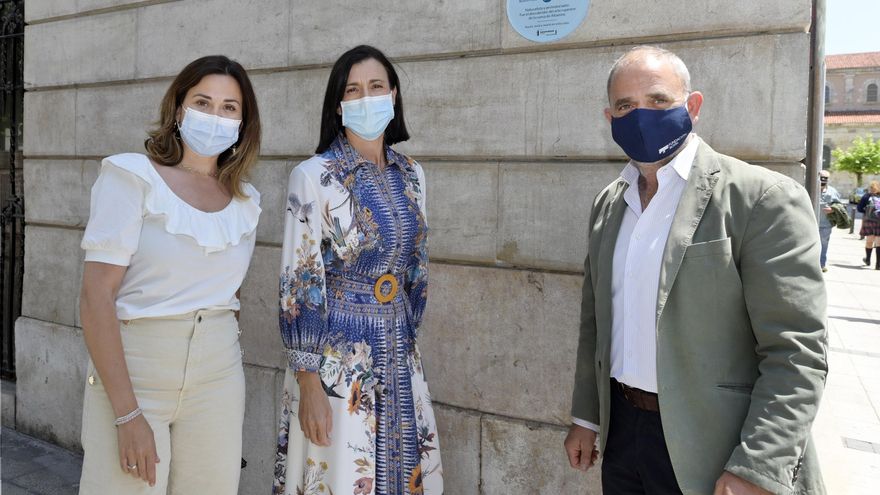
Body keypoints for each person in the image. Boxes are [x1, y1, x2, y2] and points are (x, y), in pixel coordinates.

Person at [563, 46, 827, 495]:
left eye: (658, 100)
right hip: (623, 435)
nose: (640, 115)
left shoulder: (761, 198)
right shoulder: (609, 204)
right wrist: (587, 416)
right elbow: (597, 321)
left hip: (716, 445)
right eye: (626, 106)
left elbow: (796, 351)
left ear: (693, 106)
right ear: (610, 119)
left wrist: (757, 465)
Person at [78, 55, 262, 494]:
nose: (215, 116)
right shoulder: (131, 177)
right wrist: (127, 413)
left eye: (229, 108)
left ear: (242, 123)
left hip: (217, 374)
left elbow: (227, 296)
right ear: (179, 110)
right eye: (203, 102)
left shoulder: (245, 202)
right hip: (138, 367)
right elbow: (95, 297)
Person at [273, 45, 442, 495]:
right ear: (339, 104)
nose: (366, 97)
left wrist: (405, 335)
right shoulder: (313, 176)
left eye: (376, 87)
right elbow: (299, 283)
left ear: (394, 96)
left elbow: (417, 271)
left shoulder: (413, 175)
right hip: (335, 365)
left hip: (400, 352)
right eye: (353, 89)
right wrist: (309, 383)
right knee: (341, 477)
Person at [818, 170, 842, 272]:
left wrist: (832, 209)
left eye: (825, 180)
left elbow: (839, 205)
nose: (823, 183)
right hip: (810, 222)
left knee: (823, 244)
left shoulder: (832, 191)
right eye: (821, 179)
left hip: (825, 224)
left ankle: (821, 264)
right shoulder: (810, 188)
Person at [857, 181, 880, 269]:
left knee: (869, 240)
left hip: (869, 221)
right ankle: (878, 264)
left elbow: (859, 208)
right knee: (879, 242)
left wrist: (866, 212)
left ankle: (868, 259)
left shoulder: (866, 196)